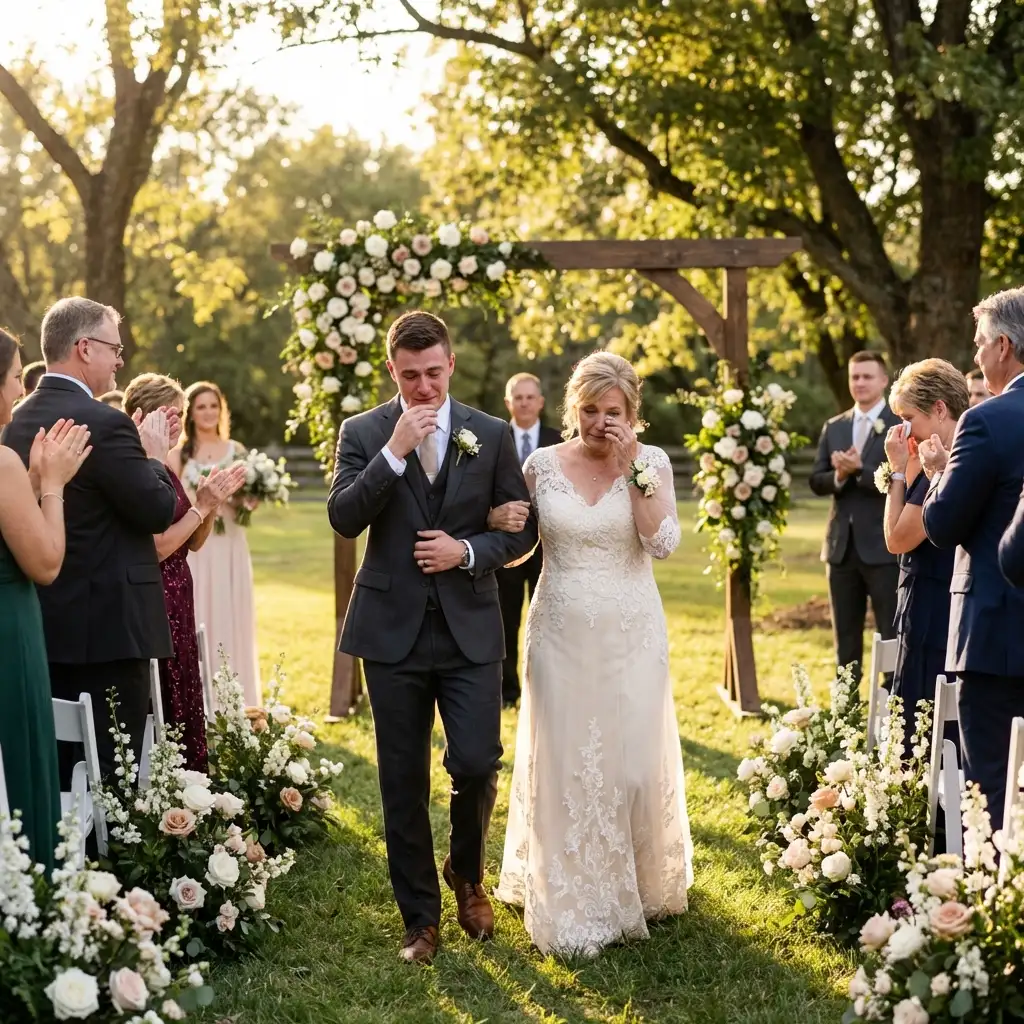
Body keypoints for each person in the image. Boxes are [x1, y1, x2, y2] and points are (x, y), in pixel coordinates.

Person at [327, 311, 538, 965]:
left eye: (434, 373)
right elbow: (344, 516)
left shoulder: (492, 432)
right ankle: (420, 918)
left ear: (451, 364)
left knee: (476, 761)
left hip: (471, 628)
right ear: (393, 370)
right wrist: (393, 453)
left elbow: (520, 530)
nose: (424, 388)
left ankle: (467, 875)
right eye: (411, 375)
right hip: (391, 634)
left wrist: (467, 550)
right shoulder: (363, 432)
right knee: (401, 781)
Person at [493, 351, 691, 956]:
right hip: (558, 631)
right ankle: (566, 890)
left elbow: (662, 542)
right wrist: (498, 522)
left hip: (632, 633)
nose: (599, 422)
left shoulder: (650, 462)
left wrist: (634, 468)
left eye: (613, 412)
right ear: (570, 409)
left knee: (629, 763)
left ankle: (640, 880)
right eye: (588, 409)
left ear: (633, 415)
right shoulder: (541, 464)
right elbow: (519, 550)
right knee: (563, 756)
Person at [2, 298, 178, 781]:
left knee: (56, 769)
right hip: (110, 632)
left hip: (41, 622)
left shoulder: (14, 422)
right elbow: (157, 510)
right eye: (114, 349)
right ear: (84, 348)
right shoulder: (105, 422)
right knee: (113, 773)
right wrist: (155, 458)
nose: (121, 360)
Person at [921, 287, 1024, 831]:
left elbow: (940, 524)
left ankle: (999, 911)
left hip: (995, 636)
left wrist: (937, 477)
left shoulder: (987, 421)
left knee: (996, 793)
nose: (976, 356)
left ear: (1004, 346)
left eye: (981, 343)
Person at [0, 330, 91, 869]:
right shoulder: (2, 462)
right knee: (17, 757)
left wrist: (29, 485)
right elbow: (47, 562)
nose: (18, 389)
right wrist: (53, 484)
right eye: (13, 377)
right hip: (9, 632)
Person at [124, 374, 245, 771]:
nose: (180, 424)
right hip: (158, 596)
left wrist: (209, 504)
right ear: (147, 417)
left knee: (184, 690)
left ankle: (190, 789)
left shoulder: (166, 468)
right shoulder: (140, 468)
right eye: (172, 416)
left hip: (179, 595)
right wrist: (199, 508)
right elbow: (158, 547)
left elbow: (191, 542)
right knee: (166, 697)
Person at [881, 360, 968, 740]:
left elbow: (896, 539)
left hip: (935, 608)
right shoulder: (937, 458)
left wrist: (897, 469)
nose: (902, 430)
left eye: (907, 417)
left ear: (939, 409)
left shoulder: (949, 466)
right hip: (927, 601)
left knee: (924, 721)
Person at [809, 351, 900, 679]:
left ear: (883, 380)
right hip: (840, 548)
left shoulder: (898, 424)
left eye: (867, 376)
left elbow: (902, 476)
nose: (859, 383)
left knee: (891, 635)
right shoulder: (835, 426)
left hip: (883, 547)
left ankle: (892, 715)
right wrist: (839, 476)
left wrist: (860, 469)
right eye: (854, 377)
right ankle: (845, 713)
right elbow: (816, 479)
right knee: (844, 638)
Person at [178, 381, 261, 706]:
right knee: (199, 612)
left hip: (230, 545)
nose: (208, 412)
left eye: (213, 405)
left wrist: (249, 499)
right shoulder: (180, 453)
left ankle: (235, 699)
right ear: (190, 412)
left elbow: (249, 499)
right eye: (201, 406)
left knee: (230, 611)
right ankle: (199, 699)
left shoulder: (236, 450)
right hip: (198, 544)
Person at [493, 372, 561, 707]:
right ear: (509, 402)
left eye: (530, 397)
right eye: (517, 397)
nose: (524, 403)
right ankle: (508, 691)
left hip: (549, 546)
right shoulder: (492, 437)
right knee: (506, 618)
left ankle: (544, 689)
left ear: (540, 402)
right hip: (504, 545)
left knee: (548, 619)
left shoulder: (559, 439)